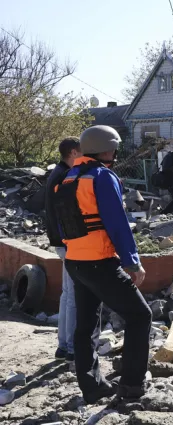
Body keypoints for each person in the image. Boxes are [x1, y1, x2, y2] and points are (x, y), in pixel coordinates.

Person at [54, 125, 151, 404]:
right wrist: (133, 263)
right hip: (99, 262)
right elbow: (117, 223)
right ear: (107, 150)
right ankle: (132, 386)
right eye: (115, 148)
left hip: (75, 261)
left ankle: (92, 387)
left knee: (85, 326)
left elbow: (63, 225)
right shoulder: (102, 176)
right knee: (139, 316)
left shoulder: (68, 178)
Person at [45, 137, 82, 362]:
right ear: (73, 153)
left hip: (60, 241)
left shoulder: (56, 173)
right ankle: (70, 348)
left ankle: (63, 346)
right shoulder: (64, 176)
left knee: (67, 294)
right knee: (73, 296)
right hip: (67, 242)